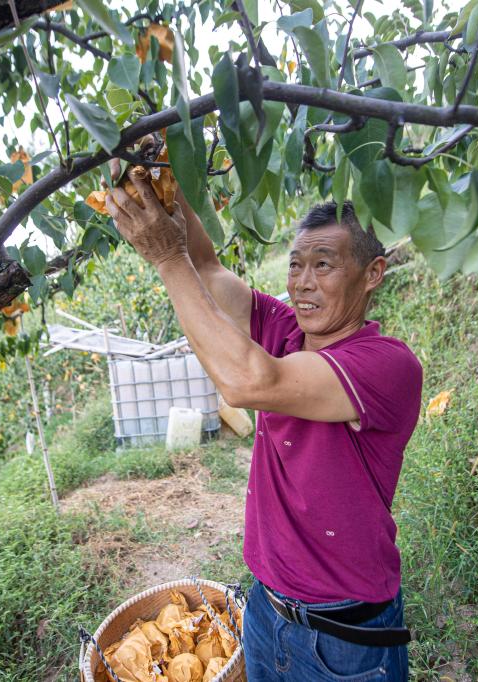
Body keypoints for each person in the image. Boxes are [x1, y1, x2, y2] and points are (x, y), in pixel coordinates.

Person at [104, 161, 422, 681]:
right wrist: (161, 175)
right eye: (296, 265)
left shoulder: (387, 365)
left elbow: (249, 382)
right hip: (265, 612)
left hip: (342, 639)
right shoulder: (282, 327)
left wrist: (164, 257)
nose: (303, 283)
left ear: (373, 274)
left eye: (324, 265)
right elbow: (204, 268)